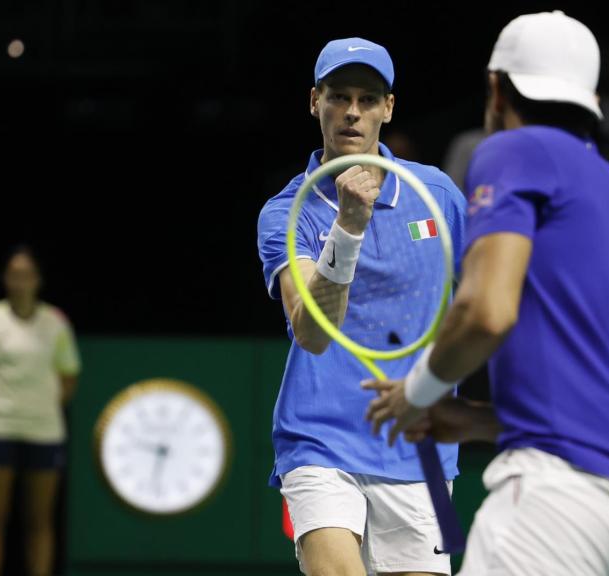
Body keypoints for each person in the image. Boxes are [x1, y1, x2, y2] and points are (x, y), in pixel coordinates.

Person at [365, 12, 609, 575]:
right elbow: (608, 401)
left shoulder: (516, 151)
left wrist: (416, 393)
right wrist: (471, 422)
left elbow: (486, 311)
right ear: (589, 100)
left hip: (563, 495)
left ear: (495, 89)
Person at [256, 38, 466, 576]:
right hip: (319, 441)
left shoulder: (437, 194)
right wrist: (348, 228)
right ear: (314, 101)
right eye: (339, 96)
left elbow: (496, 294)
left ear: (388, 108)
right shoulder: (286, 212)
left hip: (424, 450)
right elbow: (312, 332)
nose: (352, 111)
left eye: (368, 99)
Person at [0, 246, 80, 576]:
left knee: (40, 522)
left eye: (26, 275)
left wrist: (40, 407)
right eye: (14, 275)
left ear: (38, 281)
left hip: (44, 431)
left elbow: (69, 377)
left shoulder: (56, 324)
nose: (20, 282)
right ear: (5, 280)